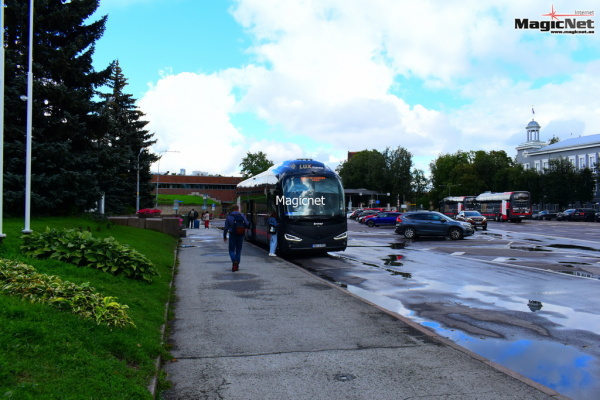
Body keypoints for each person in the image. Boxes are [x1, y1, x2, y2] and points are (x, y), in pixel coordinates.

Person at [223, 205, 249, 272]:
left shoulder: (229, 217)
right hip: (240, 235)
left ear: (232, 209)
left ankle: (234, 261)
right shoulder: (242, 216)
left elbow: (226, 228)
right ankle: (237, 265)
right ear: (237, 209)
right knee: (238, 250)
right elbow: (247, 224)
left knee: (231, 250)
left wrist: (224, 236)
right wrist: (242, 229)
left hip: (232, 234)